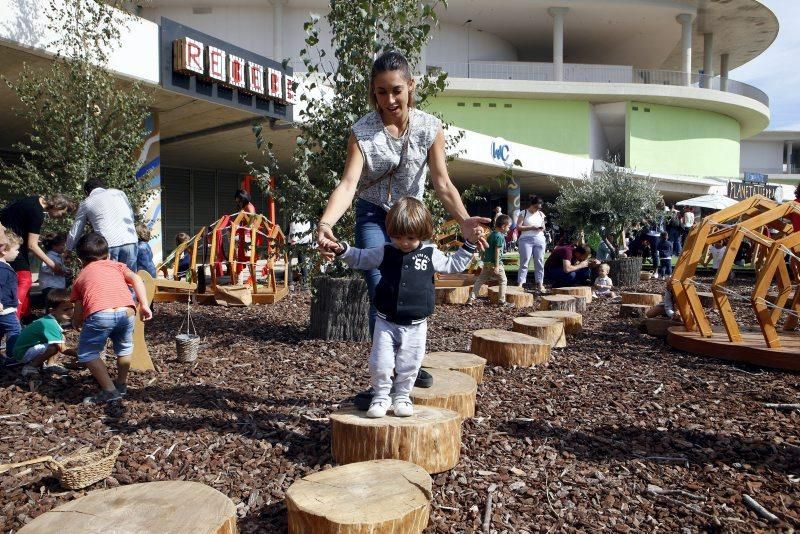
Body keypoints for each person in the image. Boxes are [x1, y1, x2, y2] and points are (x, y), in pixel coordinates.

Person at [316, 51, 489, 333]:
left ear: (411, 85)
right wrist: (326, 224)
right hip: (373, 215)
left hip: (410, 220)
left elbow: (442, 183)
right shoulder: (362, 132)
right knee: (381, 289)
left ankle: (409, 357)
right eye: (381, 92)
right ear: (373, 91)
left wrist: (464, 219)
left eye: (396, 90)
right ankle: (384, 367)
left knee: (414, 286)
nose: (390, 100)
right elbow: (348, 184)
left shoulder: (430, 128)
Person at [332, 197, 477, 418]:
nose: (404, 242)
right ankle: (381, 396)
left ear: (422, 233)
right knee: (380, 362)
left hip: (416, 325)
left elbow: (453, 264)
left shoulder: (429, 253)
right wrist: (342, 249)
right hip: (385, 321)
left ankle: (402, 397)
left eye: (410, 237)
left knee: (410, 364)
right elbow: (361, 258)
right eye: (397, 237)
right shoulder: (385, 251)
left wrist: (469, 244)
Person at [71, 232, 152, 404]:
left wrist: (76, 320)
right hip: (127, 312)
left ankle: (110, 391)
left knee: (87, 353)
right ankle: (121, 384)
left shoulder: (80, 277)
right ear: (108, 255)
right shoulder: (117, 266)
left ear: (80, 261)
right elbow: (137, 278)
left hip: (100, 314)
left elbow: (79, 305)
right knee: (124, 347)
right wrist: (144, 304)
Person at [0, 194, 72, 319]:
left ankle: (26, 314)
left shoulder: (33, 200)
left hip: (12, 241)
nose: (61, 217)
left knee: (21, 278)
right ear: (57, 206)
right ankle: (12, 317)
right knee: (25, 279)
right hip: (10, 245)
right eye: (63, 213)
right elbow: (32, 246)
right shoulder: (37, 213)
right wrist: (53, 265)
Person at [67, 179, 138, 271]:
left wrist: (68, 249)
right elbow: (130, 216)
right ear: (103, 187)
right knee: (130, 278)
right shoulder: (119, 193)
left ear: (86, 192)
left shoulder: (86, 203)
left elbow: (76, 230)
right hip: (130, 240)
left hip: (109, 244)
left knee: (111, 279)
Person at [12, 289, 75, 377]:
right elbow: (63, 349)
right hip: (22, 353)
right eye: (66, 309)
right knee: (54, 347)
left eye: (72, 308)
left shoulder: (50, 319)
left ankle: (50, 364)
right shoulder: (50, 324)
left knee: (59, 339)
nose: (71, 312)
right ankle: (30, 367)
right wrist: (82, 355)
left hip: (25, 349)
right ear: (52, 310)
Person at [469, 214, 512, 306]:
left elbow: (486, 248)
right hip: (495, 264)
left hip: (487, 263)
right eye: (508, 227)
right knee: (503, 280)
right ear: (503, 226)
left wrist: (484, 259)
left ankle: (470, 299)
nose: (509, 229)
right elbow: (497, 251)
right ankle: (502, 301)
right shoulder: (499, 236)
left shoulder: (491, 234)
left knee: (480, 280)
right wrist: (496, 266)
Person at [516, 195, 547, 293]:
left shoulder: (541, 214)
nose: (537, 209)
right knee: (525, 261)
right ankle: (520, 283)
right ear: (532, 205)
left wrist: (541, 227)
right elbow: (519, 227)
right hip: (525, 240)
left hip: (539, 239)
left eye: (539, 207)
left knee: (539, 262)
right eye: (536, 207)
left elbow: (544, 227)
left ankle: (540, 283)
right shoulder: (523, 213)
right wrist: (531, 227)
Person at [0, 231, 22, 359]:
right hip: (5, 310)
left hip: (6, 307)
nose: (18, 252)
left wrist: (15, 298)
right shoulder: (2, 268)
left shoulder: (4, 266)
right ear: (4, 250)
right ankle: (13, 356)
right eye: (16, 249)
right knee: (15, 329)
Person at [38, 233, 68, 301]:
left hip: (58, 286)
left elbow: (61, 267)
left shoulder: (58, 256)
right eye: (62, 245)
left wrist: (66, 270)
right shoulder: (49, 256)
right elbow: (44, 268)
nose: (64, 247)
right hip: (50, 287)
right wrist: (56, 271)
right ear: (54, 246)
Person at [288, 217, 312, 290]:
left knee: (289, 261)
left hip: (295, 239)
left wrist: (293, 239)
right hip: (305, 239)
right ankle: (305, 284)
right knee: (302, 261)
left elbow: (294, 225)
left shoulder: (296, 211)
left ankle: (290, 282)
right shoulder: (307, 211)